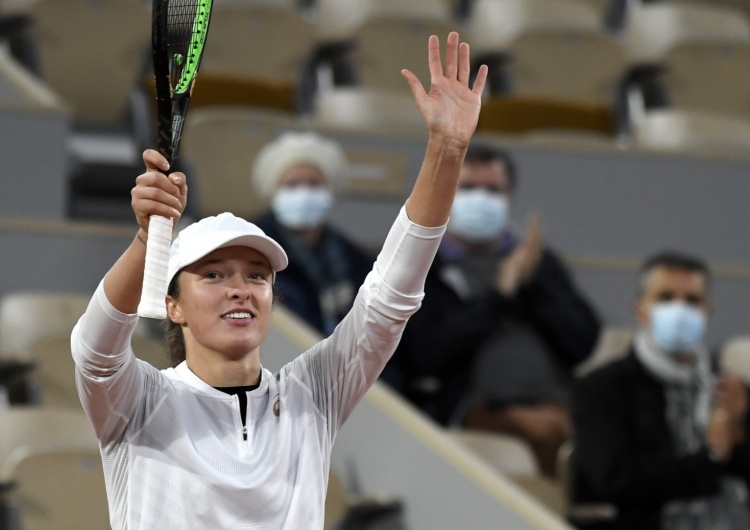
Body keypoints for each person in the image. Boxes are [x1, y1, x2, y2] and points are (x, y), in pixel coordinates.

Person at [70, 32, 488, 529]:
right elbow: (94, 351)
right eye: (213, 274)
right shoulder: (141, 401)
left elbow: (390, 297)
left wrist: (446, 150)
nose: (240, 287)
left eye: (257, 275)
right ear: (173, 305)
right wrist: (145, 241)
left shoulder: (311, 395)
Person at [381, 142, 601, 477]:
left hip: (554, 400)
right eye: (468, 188)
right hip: (474, 406)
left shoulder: (537, 262)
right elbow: (424, 354)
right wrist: (500, 294)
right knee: (548, 434)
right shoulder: (423, 263)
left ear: (509, 198)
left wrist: (533, 280)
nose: (481, 199)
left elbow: (583, 340)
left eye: (493, 190)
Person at [573, 251, 750, 530]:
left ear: (707, 312)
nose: (680, 311)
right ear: (641, 309)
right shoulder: (603, 388)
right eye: (666, 298)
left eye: (692, 301)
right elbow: (615, 479)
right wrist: (710, 458)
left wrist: (738, 434)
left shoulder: (730, 388)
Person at [249, 131, 374, 336]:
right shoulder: (253, 252)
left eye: (314, 184)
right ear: (274, 192)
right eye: (292, 185)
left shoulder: (352, 258)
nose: (304, 193)